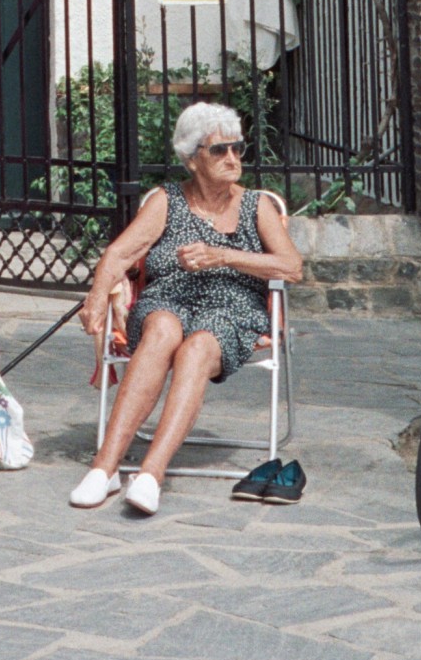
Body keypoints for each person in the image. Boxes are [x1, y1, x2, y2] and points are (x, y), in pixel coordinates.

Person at [71, 101, 303, 517]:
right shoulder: (166, 200)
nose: (232, 158)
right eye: (219, 151)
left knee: (197, 348)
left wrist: (224, 256)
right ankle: (104, 468)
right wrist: (95, 302)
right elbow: (118, 254)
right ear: (192, 159)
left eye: (237, 148)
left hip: (232, 310)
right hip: (167, 299)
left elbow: (292, 267)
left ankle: (150, 474)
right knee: (161, 330)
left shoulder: (256, 206)